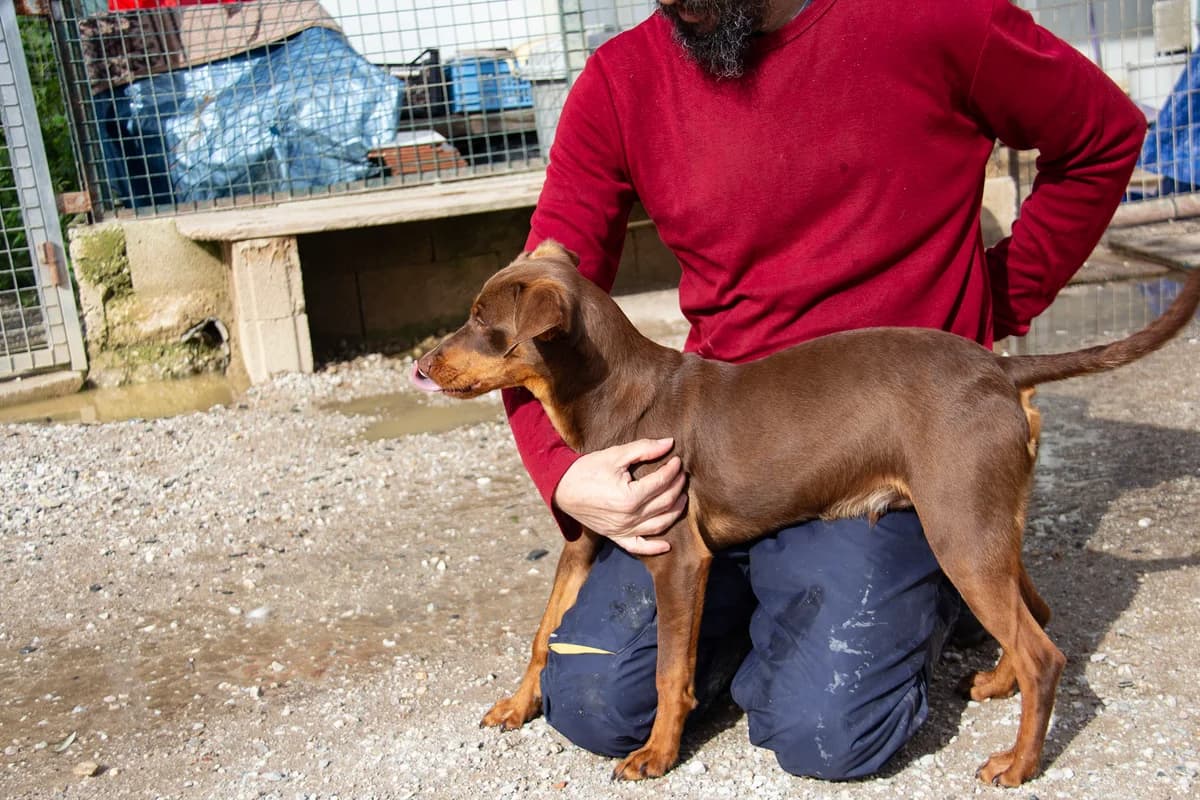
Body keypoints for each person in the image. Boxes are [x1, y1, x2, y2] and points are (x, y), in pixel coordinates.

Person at [501, 0, 1145, 780]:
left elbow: (1103, 136)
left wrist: (994, 305)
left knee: (825, 732)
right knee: (594, 702)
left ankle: (936, 589)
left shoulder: (932, 17)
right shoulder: (621, 78)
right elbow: (536, 298)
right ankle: (789, 613)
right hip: (726, 443)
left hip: (882, 438)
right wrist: (563, 474)